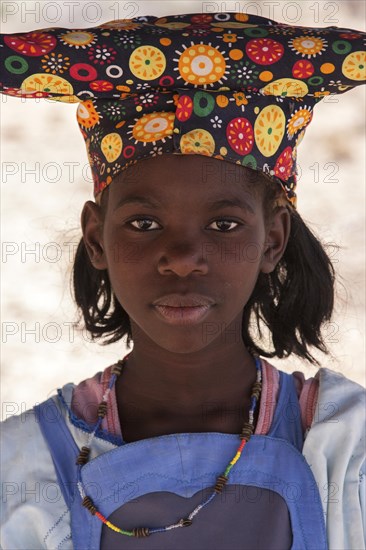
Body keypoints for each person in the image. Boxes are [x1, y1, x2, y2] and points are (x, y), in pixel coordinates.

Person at [1, 11, 365, 550]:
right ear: (96, 239)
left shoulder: (346, 448)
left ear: (274, 240)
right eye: (144, 224)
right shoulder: (22, 467)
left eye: (224, 225)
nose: (182, 258)